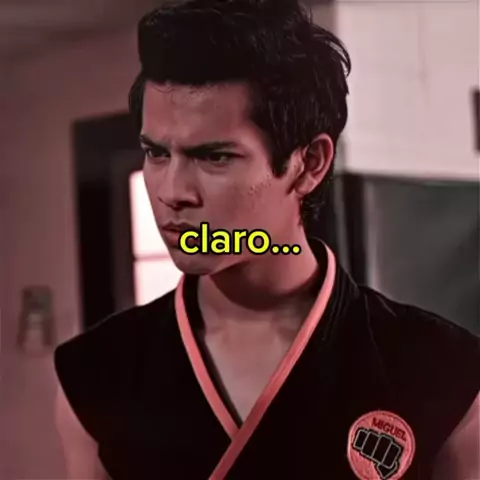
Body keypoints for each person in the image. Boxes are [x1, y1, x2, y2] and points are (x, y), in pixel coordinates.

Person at [53, 0, 480, 478]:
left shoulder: (442, 371)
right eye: (156, 153)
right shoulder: (94, 374)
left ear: (309, 164)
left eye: (214, 157)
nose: (172, 192)